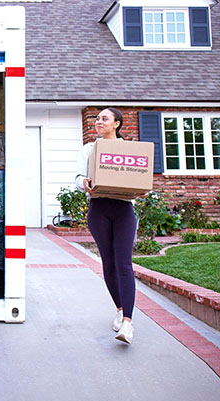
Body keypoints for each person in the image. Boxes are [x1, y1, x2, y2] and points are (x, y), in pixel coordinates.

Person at [75, 108, 137, 344]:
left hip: (123, 210)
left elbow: (139, 178)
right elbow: (77, 177)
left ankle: (128, 323)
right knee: (109, 263)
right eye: (97, 118)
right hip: (99, 210)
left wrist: (141, 190)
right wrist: (84, 182)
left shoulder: (130, 150)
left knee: (124, 264)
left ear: (117, 124)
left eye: (104, 119)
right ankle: (120, 308)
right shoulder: (89, 149)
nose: (98, 122)